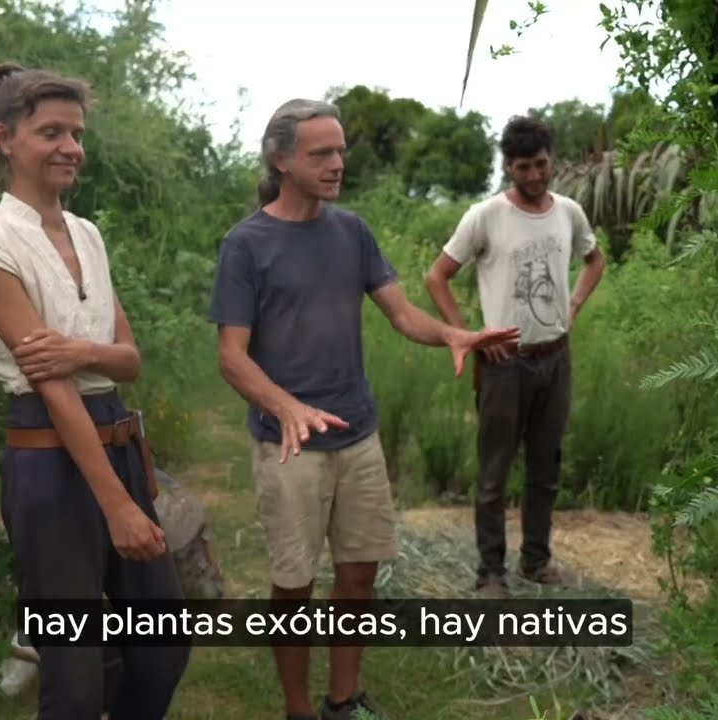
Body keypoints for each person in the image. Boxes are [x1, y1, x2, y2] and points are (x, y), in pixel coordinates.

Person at [207, 98, 519, 720]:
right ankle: (298, 709)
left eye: (340, 151)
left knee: (358, 576)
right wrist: (286, 408)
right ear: (281, 160)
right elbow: (232, 357)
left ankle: (342, 700)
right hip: (290, 445)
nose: (336, 163)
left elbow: (401, 314)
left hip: (357, 436)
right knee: (293, 585)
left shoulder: (351, 232)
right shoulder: (246, 245)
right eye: (321, 153)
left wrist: (453, 335)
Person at [0, 62, 189, 720]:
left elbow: (129, 360)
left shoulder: (88, 234)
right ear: (4, 139)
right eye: (51, 132)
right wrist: (117, 508)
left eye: (76, 133)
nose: (70, 147)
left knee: (163, 648)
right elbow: (53, 388)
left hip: (118, 442)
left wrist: (82, 352)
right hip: (49, 462)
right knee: (75, 679)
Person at [424, 115, 606, 598]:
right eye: (523, 167)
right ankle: (490, 572)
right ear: (508, 166)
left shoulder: (568, 213)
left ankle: (536, 560)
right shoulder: (486, 216)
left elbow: (594, 260)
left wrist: (574, 305)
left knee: (546, 465)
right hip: (504, 363)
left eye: (541, 164)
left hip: (555, 357)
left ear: (551, 160)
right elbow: (436, 276)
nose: (534, 175)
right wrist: (469, 335)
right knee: (495, 471)